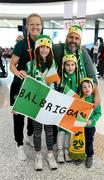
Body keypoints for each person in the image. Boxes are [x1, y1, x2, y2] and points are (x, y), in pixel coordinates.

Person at [9, 13, 42, 161]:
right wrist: (18, 72)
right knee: (19, 117)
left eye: (38, 24)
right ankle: (19, 145)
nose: (35, 27)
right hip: (19, 86)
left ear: (41, 26)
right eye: (32, 24)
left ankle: (28, 136)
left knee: (33, 114)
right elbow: (12, 64)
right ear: (27, 26)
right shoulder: (21, 44)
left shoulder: (44, 42)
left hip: (35, 87)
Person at [26, 34, 58, 170]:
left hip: (49, 103)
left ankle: (50, 155)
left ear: (50, 49)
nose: (44, 49)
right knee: (37, 131)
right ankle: (38, 155)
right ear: (37, 48)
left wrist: (58, 81)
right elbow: (26, 86)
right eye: (41, 47)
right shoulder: (30, 65)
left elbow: (54, 85)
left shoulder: (53, 64)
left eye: (47, 47)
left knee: (49, 131)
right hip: (36, 104)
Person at [56, 53, 78, 163]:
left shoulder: (78, 78)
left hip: (72, 110)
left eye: (72, 65)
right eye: (67, 65)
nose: (70, 67)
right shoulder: (60, 78)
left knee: (69, 131)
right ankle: (60, 151)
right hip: (62, 109)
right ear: (63, 66)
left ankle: (66, 150)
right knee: (61, 131)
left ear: (76, 66)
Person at [76, 77, 102, 168]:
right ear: (81, 89)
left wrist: (92, 120)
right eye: (84, 87)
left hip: (90, 127)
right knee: (80, 141)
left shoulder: (95, 100)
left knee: (89, 142)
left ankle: (89, 156)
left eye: (89, 86)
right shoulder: (80, 99)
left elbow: (99, 113)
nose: (87, 89)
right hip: (80, 126)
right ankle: (80, 155)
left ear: (92, 88)